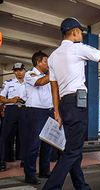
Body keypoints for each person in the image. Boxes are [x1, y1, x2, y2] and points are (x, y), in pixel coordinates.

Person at [43, 17, 100, 190]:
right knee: (72, 151)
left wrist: (57, 111)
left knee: (72, 148)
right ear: (75, 32)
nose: (82, 36)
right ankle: (51, 187)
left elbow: (53, 87)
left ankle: (81, 186)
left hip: (64, 104)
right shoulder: (78, 48)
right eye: (81, 32)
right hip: (77, 103)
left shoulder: (53, 57)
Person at [23, 51, 53, 184]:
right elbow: (40, 82)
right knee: (34, 145)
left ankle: (44, 171)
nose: (48, 64)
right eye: (46, 61)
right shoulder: (30, 74)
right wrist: (55, 71)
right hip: (35, 112)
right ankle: (29, 174)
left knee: (48, 144)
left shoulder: (47, 75)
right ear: (38, 62)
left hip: (48, 111)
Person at [0, 63, 27, 172]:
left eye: (20, 70)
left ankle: (24, 160)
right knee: (4, 136)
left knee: (25, 136)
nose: (18, 72)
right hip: (11, 110)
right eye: (16, 70)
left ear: (24, 70)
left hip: (25, 110)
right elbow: (1, 98)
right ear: (14, 71)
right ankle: (1, 162)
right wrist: (12, 100)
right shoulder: (8, 83)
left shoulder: (30, 83)